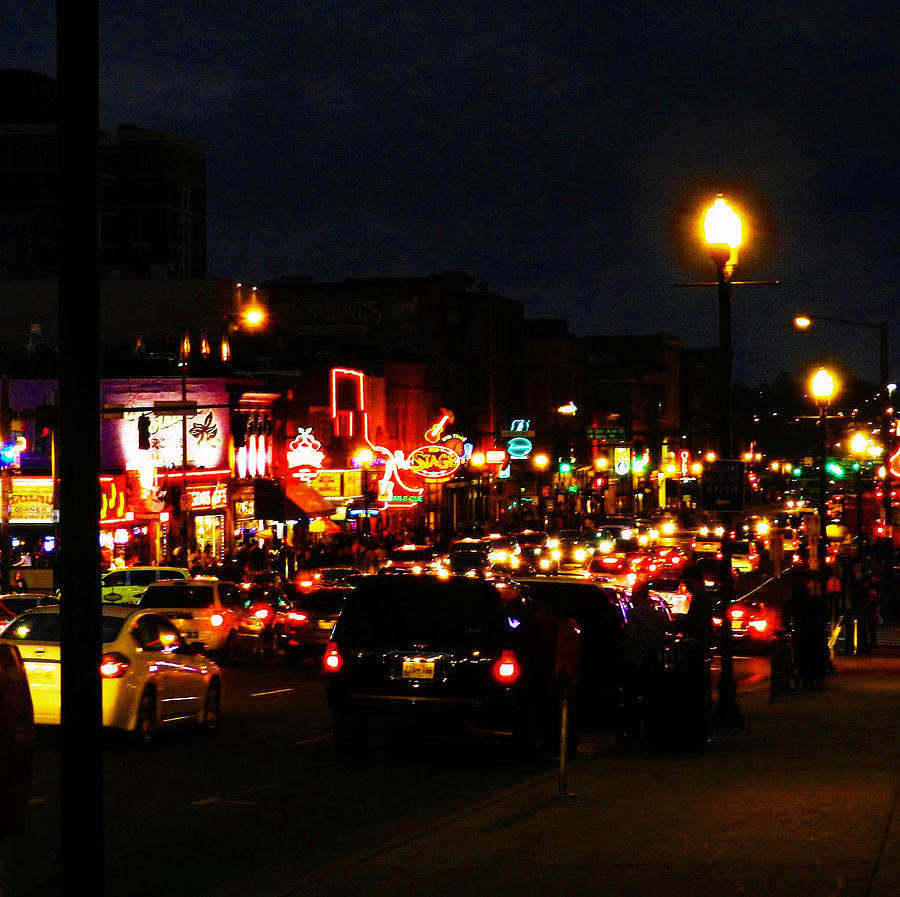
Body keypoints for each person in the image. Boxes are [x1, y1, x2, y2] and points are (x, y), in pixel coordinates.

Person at [784, 577, 828, 690]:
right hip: (815, 632)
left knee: (803, 657)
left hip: (801, 632)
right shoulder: (813, 600)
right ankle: (816, 679)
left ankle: (806, 680)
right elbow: (823, 613)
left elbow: (786, 615)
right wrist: (823, 625)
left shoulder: (793, 601)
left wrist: (788, 628)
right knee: (816, 656)